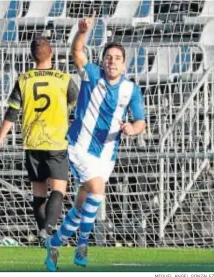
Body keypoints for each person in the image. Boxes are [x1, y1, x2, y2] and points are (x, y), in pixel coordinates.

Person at [44, 12, 146, 272]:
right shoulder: (91, 75)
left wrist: (131, 130)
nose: (112, 62)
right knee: (97, 192)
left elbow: (140, 122)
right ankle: (82, 244)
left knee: (81, 206)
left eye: (117, 59)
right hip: (80, 146)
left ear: (124, 66)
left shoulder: (131, 90)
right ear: (103, 61)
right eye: (108, 57)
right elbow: (77, 51)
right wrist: (82, 32)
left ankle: (54, 244)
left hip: (107, 153)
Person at [0, 36, 79, 245]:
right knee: (58, 190)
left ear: (31, 56)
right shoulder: (64, 79)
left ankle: (42, 235)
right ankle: (47, 231)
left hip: (32, 142)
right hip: (56, 141)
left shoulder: (24, 80)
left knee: (39, 193)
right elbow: (78, 107)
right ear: (52, 53)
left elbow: (11, 114)